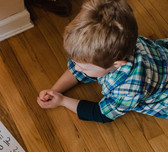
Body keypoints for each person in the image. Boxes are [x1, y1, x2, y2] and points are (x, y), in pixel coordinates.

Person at [37, 0, 168, 123]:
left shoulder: (128, 90)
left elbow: (101, 114)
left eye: (83, 67)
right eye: (75, 62)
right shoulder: (123, 44)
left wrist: (62, 101)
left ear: (117, 64)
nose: (76, 68)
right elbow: (80, 71)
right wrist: (54, 91)